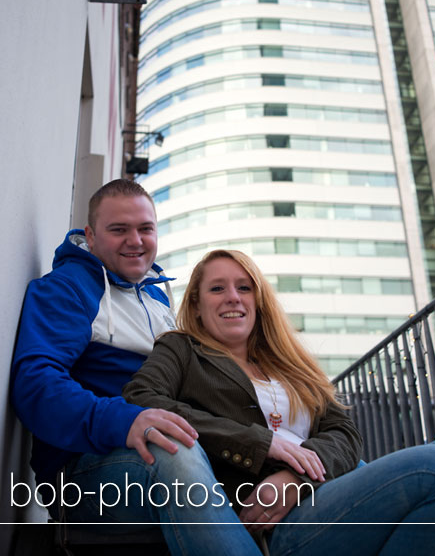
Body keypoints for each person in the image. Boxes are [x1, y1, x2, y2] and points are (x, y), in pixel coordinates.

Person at [123, 249, 435, 555]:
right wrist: (260, 444)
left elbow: (345, 433)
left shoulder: (289, 363)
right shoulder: (182, 350)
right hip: (275, 522)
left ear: (258, 300)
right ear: (195, 304)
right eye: (217, 288)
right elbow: (142, 397)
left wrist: (296, 478)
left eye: (244, 288)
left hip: (321, 492)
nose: (233, 297)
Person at [11, 179, 263, 556]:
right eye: (119, 230)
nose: (136, 240)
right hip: (84, 471)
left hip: (176, 452)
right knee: (173, 446)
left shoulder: (159, 297)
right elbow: (35, 385)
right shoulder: (67, 288)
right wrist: (125, 421)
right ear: (91, 237)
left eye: (145, 229)